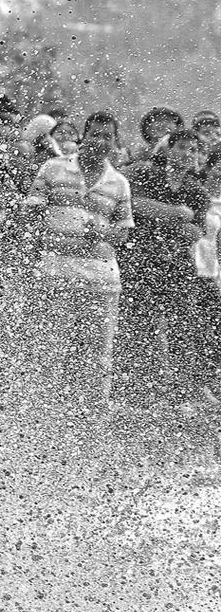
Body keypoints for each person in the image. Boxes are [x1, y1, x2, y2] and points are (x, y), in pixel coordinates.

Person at [24, 111, 134, 409]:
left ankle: (93, 414)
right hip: (55, 272)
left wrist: (101, 230)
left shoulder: (119, 182)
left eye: (106, 137)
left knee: (99, 355)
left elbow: (123, 235)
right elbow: (31, 211)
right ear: (84, 138)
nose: (100, 141)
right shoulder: (52, 168)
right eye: (95, 135)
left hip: (102, 279)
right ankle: (38, 410)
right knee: (48, 346)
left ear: (115, 143)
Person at [112, 129, 213, 406]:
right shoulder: (146, 173)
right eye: (182, 147)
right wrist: (177, 214)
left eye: (193, 150)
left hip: (177, 266)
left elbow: (196, 232)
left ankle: (182, 394)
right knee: (137, 325)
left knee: (182, 327)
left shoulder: (196, 191)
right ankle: (133, 390)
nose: (188, 154)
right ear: (167, 148)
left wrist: (168, 219)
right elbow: (135, 205)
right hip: (140, 260)